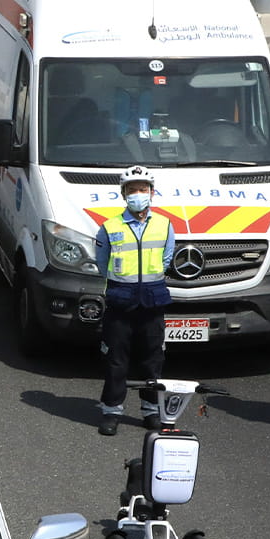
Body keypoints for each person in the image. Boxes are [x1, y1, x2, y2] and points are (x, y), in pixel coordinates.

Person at [93, 165, 175, 436]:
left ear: (152, 193)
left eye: (142, 189)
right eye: (132, 190)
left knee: (153, 359)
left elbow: (166, 259)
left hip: (152, 302)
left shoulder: (165, 224)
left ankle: (151, 411)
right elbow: (102, 263)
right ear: (124, 194)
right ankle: (111, 411)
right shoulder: (109, 227)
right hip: (121, 302)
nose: (138, 194)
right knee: (117, 359)